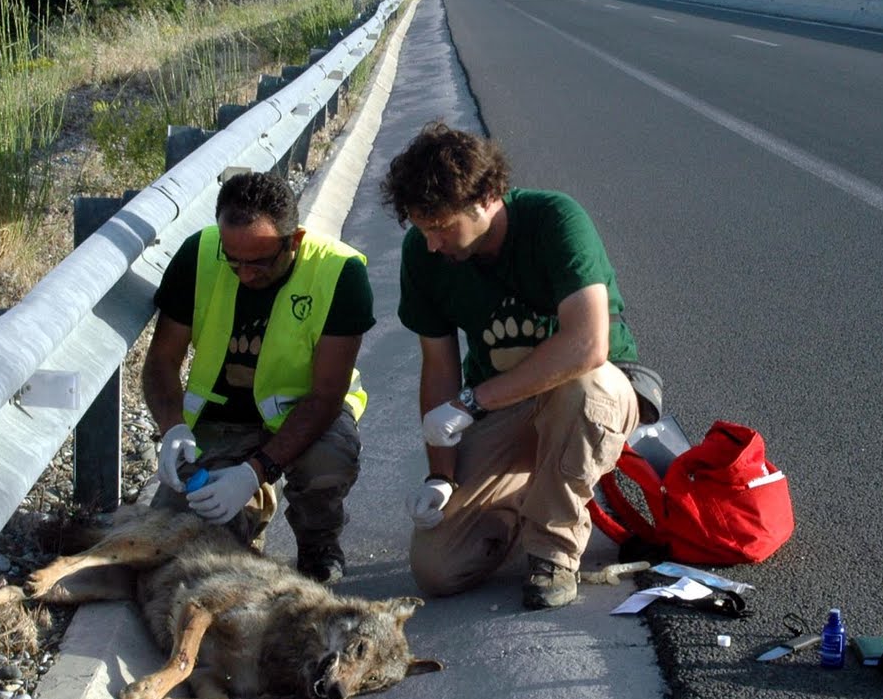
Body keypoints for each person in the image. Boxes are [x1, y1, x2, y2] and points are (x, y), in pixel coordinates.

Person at [379, 121, 643, 610]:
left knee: (582, 385)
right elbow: (438, 367)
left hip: (595, 395)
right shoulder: (424, 253)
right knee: (438, 569)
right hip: (505, 407)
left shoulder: (554, 219)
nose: (432, 243)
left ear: (488, 196)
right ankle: (527, 496)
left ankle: (553, 551)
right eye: (422, 227)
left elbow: (588, 344)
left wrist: (471, 401)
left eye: (440, 226)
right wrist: (441, 475)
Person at [143, 170, 373, 583]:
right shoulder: (199, 255)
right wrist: (173, 429)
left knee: (327, 461)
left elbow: (325, 397)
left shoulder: (339, 273)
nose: (245, 273)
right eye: (234, 260)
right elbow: (161, 360)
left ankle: (318, 542)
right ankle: (248, 513)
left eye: (260, 262)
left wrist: (255, 469)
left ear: (294, 241)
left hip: (307, 417)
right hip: (222, 421)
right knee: (180, 540)